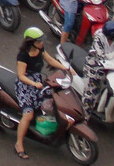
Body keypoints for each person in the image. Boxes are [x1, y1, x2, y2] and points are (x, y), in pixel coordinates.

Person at [13, 27, 72, 159]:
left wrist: (66, 69)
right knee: (28, 115)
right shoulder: (23, 55)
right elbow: (21, 75)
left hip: (39, 82)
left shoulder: (40, 49)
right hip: (26, 85)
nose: (42, 43)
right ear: (31, 42)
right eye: (39, 41)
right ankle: (19, 144)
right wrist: (34, 84)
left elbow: (50, 61)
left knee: (54, 103)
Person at [81, 20, 114, 114]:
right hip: (95, 68)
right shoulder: (99, 37)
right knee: (90, 94)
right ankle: (84, 116)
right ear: (112, 35)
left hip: (113, 66)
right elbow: (101, 56)